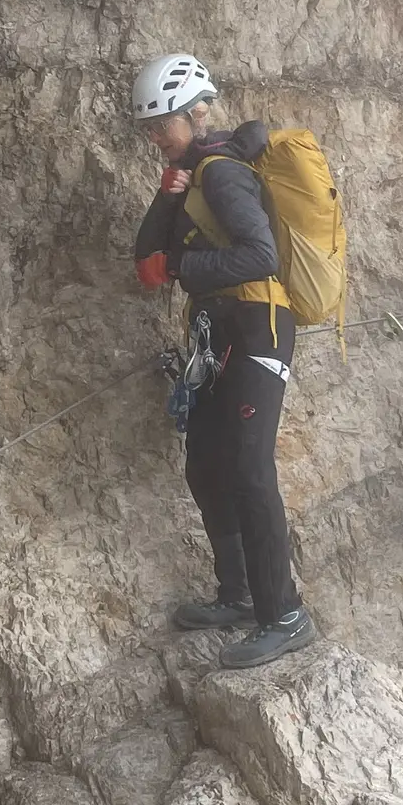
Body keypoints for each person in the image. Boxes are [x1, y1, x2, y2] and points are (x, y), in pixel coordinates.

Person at [129, 52, 316, 672]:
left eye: (163, 124)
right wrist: (167, 190)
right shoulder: (192, 173)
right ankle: (237, 595)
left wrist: (185, 268)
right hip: (221, 332)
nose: (156, 136)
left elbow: (260, 255)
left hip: (259, 327)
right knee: (206, 463)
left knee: (249, 465)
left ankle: (284, 613)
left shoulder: (223, 175)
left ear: (193, 114)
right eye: (151, 127)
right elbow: (146, 259)